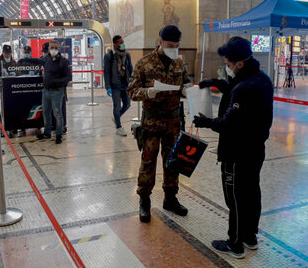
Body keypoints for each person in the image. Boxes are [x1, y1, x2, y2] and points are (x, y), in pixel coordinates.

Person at [193, 37, 273, 259]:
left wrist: (205, 121)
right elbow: (241, 95)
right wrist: (217, 84)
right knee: (251, 193)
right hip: (255, 149)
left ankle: (235, 243)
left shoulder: (245, 88)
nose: (226, 68)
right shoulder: (262, 78)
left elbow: (229, 123)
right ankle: (249, 237)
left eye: (228, 64)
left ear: (239, 63)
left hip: (237, 152)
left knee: (236, 198)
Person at [127, 25, 192, 223]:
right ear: (160, 41)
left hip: (173, 120)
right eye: (170, 45)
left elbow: (186, 83)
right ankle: (144, 201)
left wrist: (185, 90)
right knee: (148, 161)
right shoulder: (144, 63)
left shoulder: (179, 62)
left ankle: (170, 198)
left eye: (177, 45)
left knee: (173, 161)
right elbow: (131, 90)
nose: (174, 48)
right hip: (152, 120)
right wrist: (146, 92)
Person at [37, 40, 72, 144]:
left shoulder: (63, 61)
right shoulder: (46, 59)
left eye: (56, 48)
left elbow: (68, 77)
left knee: (57, 114)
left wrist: (57, 82)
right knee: (46, 112)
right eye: (52, 48)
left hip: (57, 91)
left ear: (58, 49)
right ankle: (47, 132)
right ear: (48, 49)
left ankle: (59, 135)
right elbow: (38, 62)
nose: (54, 50)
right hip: (46, 91)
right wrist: (26, 60)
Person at [104, 35, 133, 136]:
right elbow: (106, 72)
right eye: (120, 42)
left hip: (126, 84)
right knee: (117, 106)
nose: (122, 44)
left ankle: (116, 117)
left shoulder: (127, 54)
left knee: (127, 104)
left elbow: (130, 69)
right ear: (115, 44)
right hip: (115, 85)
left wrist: (133, 82)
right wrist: (108, 87)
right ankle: (119, 127)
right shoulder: (109, 56)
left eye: (123, 42)